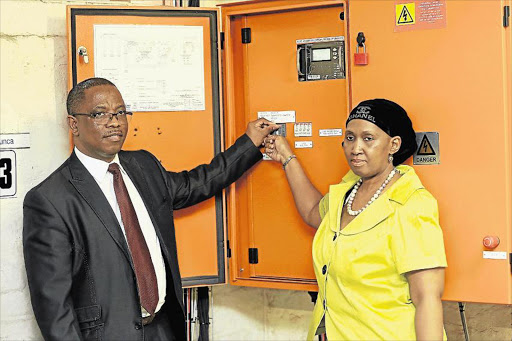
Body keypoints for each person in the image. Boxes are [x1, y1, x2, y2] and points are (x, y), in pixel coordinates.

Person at [23, 77, 279, 341]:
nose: (114, 122)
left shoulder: (144, 166)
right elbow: (53, 309)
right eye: (100, 114)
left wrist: (248, 144)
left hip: (164, 328)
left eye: (120, 112)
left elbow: (196, 184)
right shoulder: (50, 200)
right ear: (74, 124)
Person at [264, 99, 447, 340]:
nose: (356, 148)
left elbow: (427, 299)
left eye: (368, 138)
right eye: (350, 138)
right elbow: (312, 212)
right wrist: (287, 157)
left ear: (393, 145)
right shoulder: (348, 189)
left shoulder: (411, 204)